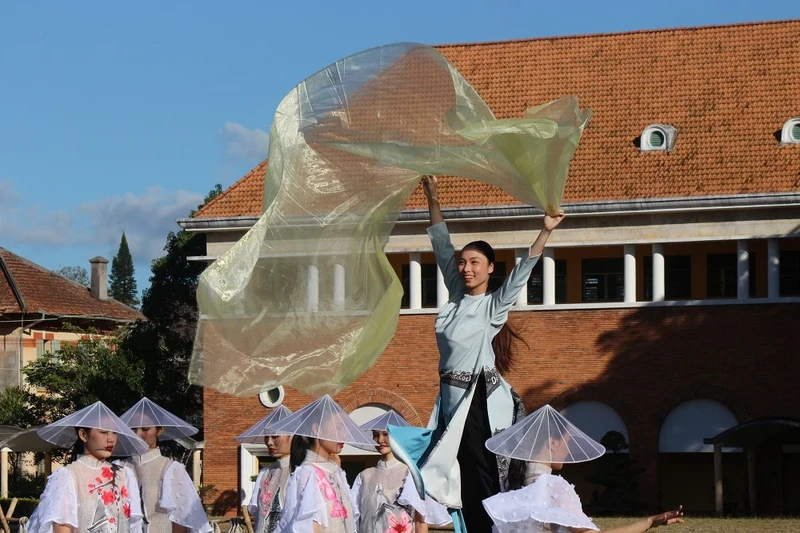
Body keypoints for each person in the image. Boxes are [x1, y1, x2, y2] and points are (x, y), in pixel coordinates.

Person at [420, 175, 564, 532]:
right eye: (464, 262)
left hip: (477, 401)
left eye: (475, 263)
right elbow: (441, 245)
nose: (466, 268)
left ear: (489, 269)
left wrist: (544, 232)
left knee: (482, 475)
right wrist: (433, 197)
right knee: (459, 474)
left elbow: (520, 275)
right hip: (450, 400)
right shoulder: (455, 295)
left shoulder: (492, 307)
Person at [483, 404, 684, 533]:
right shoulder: (552, 486)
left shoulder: (510, 485)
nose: (569, 451)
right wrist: (648, 522)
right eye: (567, 443)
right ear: (552, 443)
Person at [28, 402, 147, 533]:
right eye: (103, 432)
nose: (111, 439)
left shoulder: (125, 474)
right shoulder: (67, 476)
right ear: (83, 435)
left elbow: (134, 527)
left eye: (114, 432)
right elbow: (61, 528)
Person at [272, 395, 376, 533]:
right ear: (316, 429)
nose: (344, 435)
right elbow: (307, 525)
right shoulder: (307, 473)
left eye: (344, 428)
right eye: (339, 427)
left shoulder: (337, 473)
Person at [117, 398, 211, 533]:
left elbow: (181, 518)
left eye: (145, 429)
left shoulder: (170, 469)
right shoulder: (120, 467)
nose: (138, 434)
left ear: (160, 430)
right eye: (133, 428)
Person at [350, 411, 451, 533]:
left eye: (386, 434)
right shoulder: (364, 476)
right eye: (376, 434)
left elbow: (420, 521)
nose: (380, 440)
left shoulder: (410, 474)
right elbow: (355, 517)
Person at [238, 406, 294, 533]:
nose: (269, 442)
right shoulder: (265, 473)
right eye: (266, 437)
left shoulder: (303, 472)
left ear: (292, 436)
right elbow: (256, 513)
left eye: (275, 436)